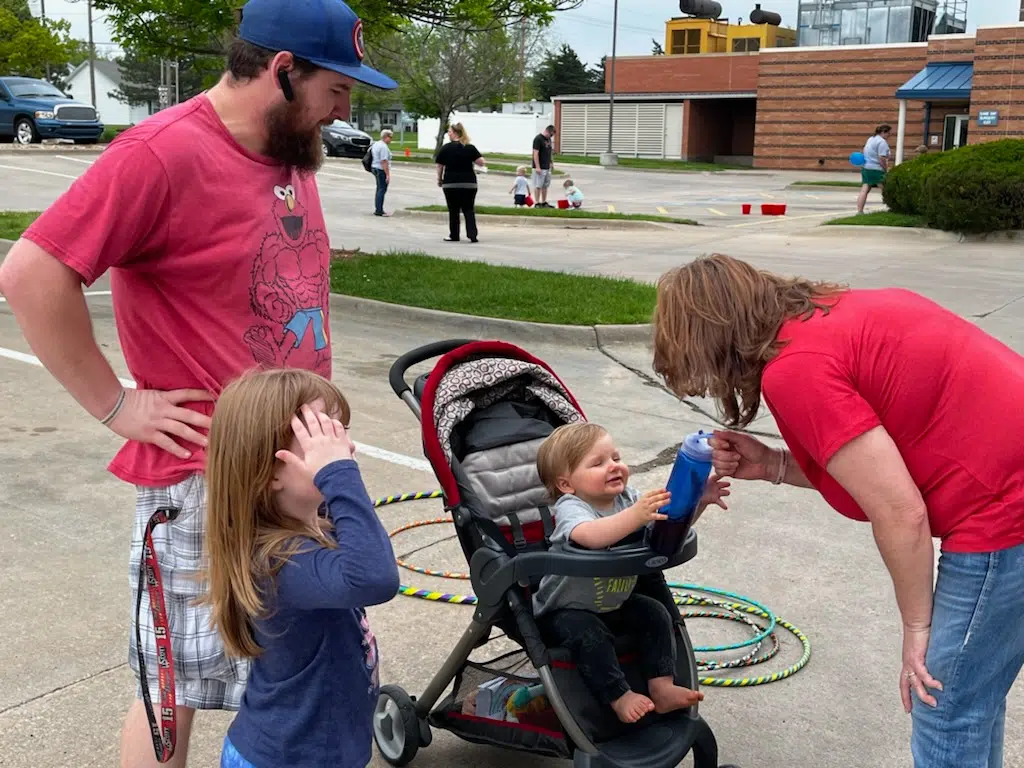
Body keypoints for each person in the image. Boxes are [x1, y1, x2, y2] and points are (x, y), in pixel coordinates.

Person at [0, 0, 397, 764]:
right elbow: (30, 273)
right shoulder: (161, 153)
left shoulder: (288, 154)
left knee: (300, 682)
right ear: (283, 71)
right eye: (336, 90)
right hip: (202, 479)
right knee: (173, 690)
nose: (344, 110)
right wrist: (115, 404)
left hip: (297, 478)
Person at [650, 253, 1024, 768]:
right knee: (971, 697)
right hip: (1010, 486)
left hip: (1007, 509)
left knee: (942, 699)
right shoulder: (836, 311)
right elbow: (882, 466)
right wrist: (777, 465)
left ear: (713, 339)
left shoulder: (796, 369)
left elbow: (900, 511)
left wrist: (918, 630)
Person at [204, 368, 399, 768]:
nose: (343, 447)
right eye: (320, 437)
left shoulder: (312, 520)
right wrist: (338, 474)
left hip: (321, 749)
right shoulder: (280, 561)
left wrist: (330, 478)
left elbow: (362, 544)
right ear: (271, 471)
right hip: (287, 758)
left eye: (339, 431)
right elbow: (375, 578)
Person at [532, 423, 730, 724]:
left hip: (614, 602)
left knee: (655, 613)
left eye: (616, 457)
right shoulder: (572, 507)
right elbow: (590, 536)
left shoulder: (628, 499)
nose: (613, 467)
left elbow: (666, 532)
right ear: (566, 484)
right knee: (590, 636)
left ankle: (661, 687)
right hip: (566, 610)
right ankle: (618, 696)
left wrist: (696, 502)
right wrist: (635, 516)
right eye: (598, 463)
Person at [434, 122, 487, 243]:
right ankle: (472, 234)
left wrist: (439, 179)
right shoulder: (470, 147)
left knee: (453, 210)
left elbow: (439, 166)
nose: (448, 134)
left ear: (456, 133)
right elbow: (481, 162)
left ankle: (454, 235)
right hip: (469, 184)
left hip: (451, 183)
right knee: (469, 209)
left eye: (450, 132)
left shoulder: (446, 148)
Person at [857, 123, 891, 214]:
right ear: (883, 132)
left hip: (866, 167)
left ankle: (860, 211)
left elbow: (864, 151)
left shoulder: (870, 139)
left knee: (864, 189)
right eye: (888, 133)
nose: (889, 135)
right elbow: (882, 158)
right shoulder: (882, 142)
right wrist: (886, 169)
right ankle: (894, 207)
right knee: (886, 189)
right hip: (876, 169)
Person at [532, 124, 556, 208]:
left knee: (545, 185)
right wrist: (537, 167)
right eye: (551, 134)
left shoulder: (548, 139)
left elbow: (549, 152)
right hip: (539, 167)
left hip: (547, 166)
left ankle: (544, 202)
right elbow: (535, 153)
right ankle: (537, 202)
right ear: (547, 131)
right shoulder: (538, 139)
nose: (551, 136)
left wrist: (551, 162)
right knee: (538, 185)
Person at [371, 128, 393, 217]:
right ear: (386, 137)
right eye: (390, 137)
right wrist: (387, 174)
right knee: (382, 189)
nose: (391, 139)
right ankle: (379, 210)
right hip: (380, 169)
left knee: (379, 188)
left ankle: (378, 208)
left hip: (375, 167)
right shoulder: (383, 147)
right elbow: (384, 161)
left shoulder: (376, 144)